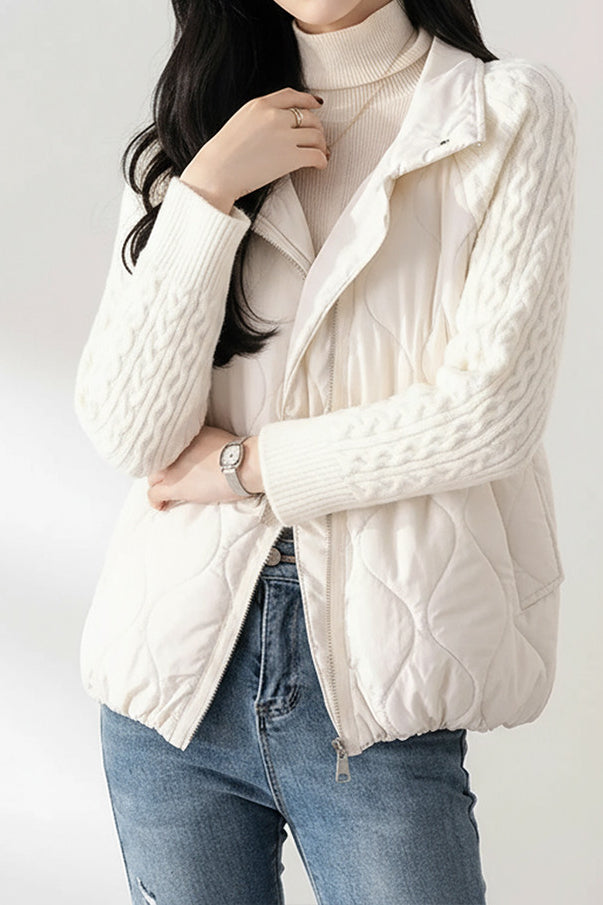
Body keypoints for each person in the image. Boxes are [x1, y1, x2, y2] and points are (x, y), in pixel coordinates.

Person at [73, 1, 577, 902]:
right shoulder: (201, 129)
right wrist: (206, 192)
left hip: (379, 696)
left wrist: (245, 466)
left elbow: (488, 413)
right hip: (173, 687)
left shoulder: (504, 110)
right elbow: (130, 432)